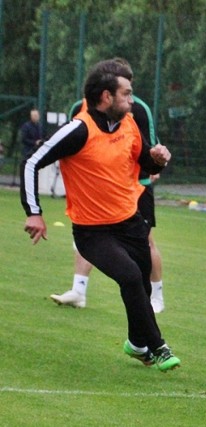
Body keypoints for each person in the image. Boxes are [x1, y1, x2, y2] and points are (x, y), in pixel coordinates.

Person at [20, 58, 180, 371]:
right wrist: (34, 213)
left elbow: (146, 164)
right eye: (126, 94)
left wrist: (158, 159)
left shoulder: (129, 123)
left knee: (141, 287)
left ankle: (137, 345)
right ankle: (159, 348)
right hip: (93, 232)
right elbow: (32, 162)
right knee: (131, 276)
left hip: (130, 223)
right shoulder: (78, 130)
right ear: (106, 97)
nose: (132, 101)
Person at [50, 65, 165, 313]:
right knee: (89, 237)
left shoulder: (138, 110)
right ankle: (78, 290)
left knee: (145, 241)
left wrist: (153, 166)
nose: (128, 96)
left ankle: (156, 297)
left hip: (136, 188)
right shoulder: (78, 110)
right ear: (105, 92)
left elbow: (149, 148)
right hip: (94, 193)